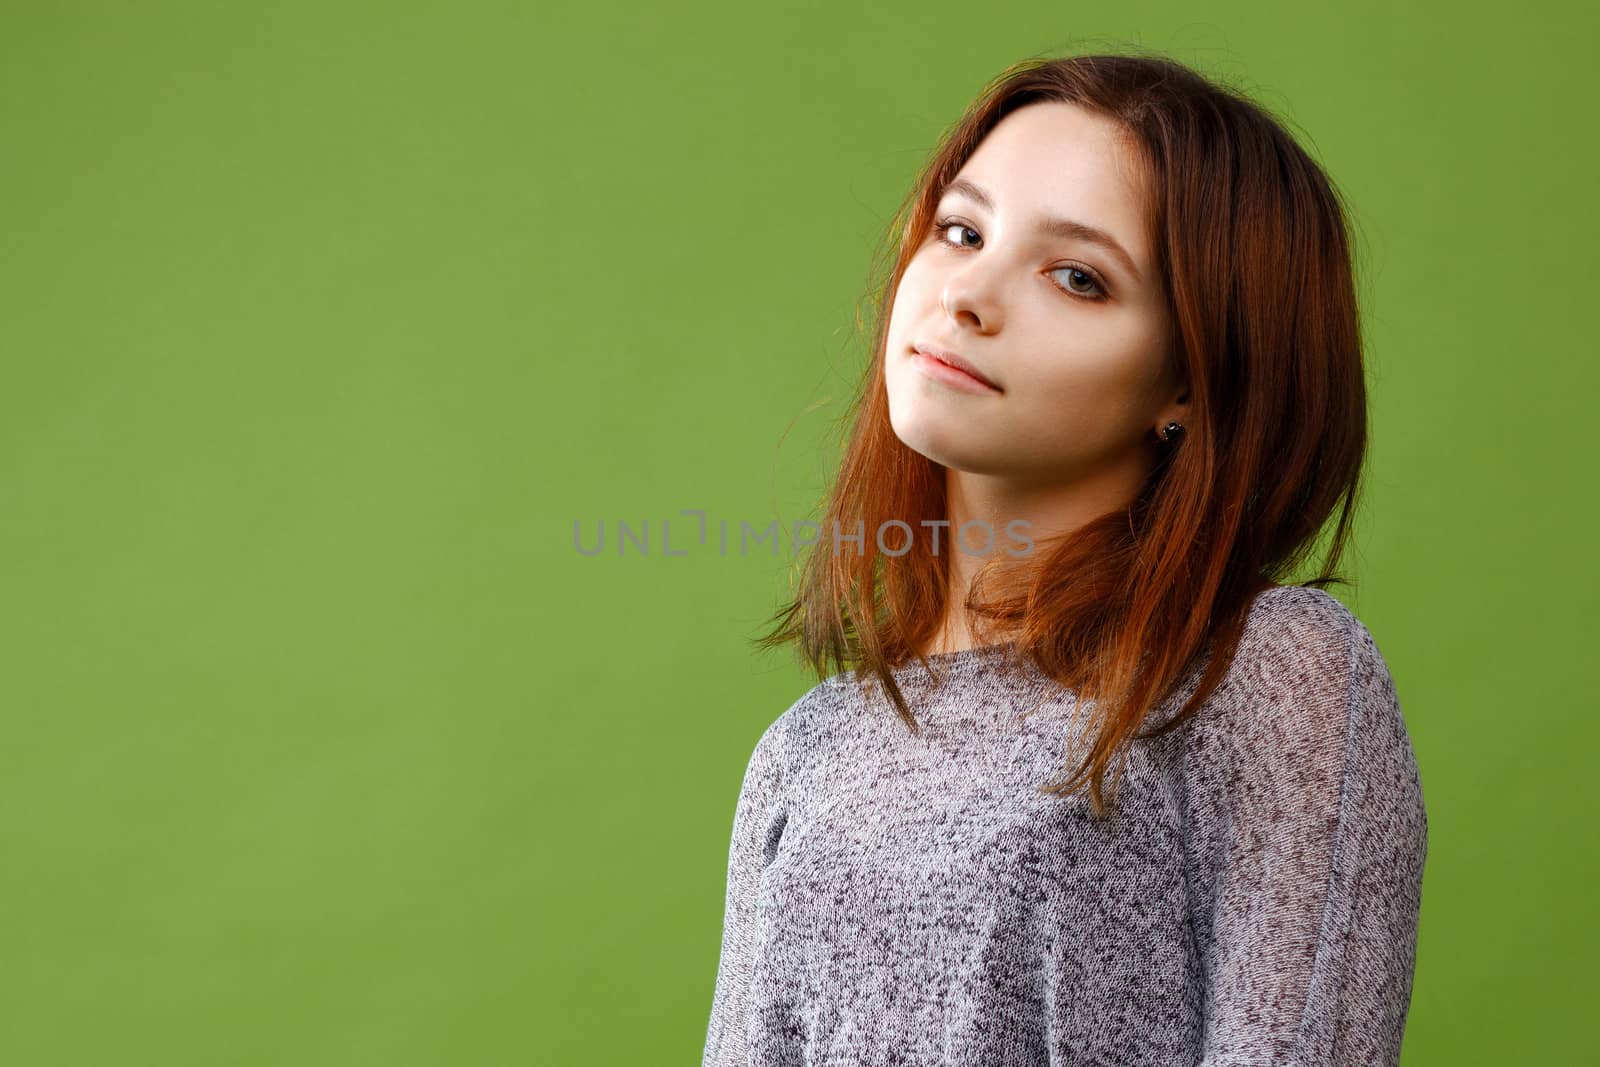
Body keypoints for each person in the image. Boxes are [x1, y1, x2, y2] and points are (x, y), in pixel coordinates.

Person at [702, 48, 1428, 1067]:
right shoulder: (806, 750)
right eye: (960, 229)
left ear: (1190, 380)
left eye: (1076, 277)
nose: (967, 292)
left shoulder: (1263, 670)